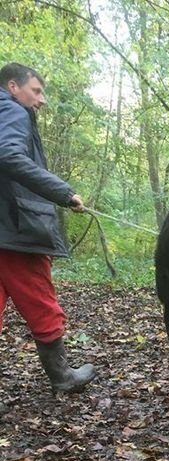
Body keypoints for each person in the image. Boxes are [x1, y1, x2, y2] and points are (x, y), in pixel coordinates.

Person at [0, 62, 96, 408]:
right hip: (15, 229)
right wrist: (62, 192)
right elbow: (8, 155)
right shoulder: (13, 111)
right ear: (13, 86)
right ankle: (62, 377)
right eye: (36, 91)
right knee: (41, 302)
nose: (41, 100)